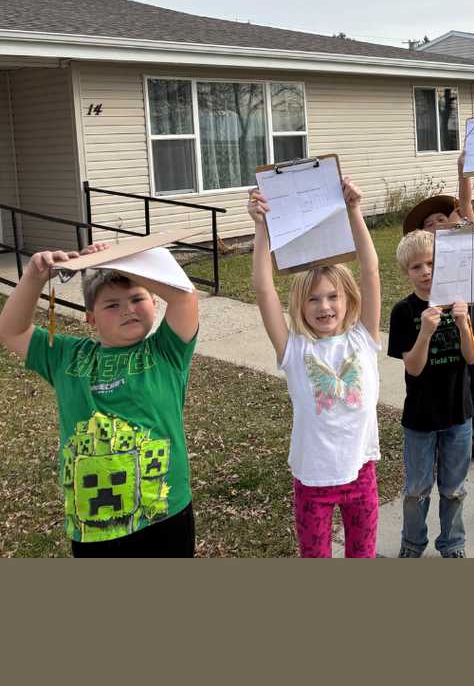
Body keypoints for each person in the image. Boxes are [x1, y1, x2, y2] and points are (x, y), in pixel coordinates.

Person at [0, 242, 201, 557]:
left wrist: (120, 261)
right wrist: (34, 278)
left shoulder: (166, 350)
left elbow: (184, 295)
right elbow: (12, 331)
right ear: (91, 319)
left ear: (153, 302)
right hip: (93, 524)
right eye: (111, 305)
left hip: (164, 512)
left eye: (137, 298)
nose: (128, 309)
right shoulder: (66, 357)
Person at [247, 177, 381, 558]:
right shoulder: (293, 349)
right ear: (300, 307)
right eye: (313, 300)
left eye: (333, 296)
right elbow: (263, 289)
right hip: (312, 482)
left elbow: (370, 271)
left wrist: (354, 210)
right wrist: (261, 228)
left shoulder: (363, 339)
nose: (324, 306)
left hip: (361, 475)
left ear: (347, 298)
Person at [402, 150, 474, 457]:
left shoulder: (464, 239)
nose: (436, 225)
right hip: (443, 329)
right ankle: (452, 432)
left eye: (442, 218)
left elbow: (466, 205)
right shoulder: (427, 263)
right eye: (429, 224)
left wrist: (463, 172)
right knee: (454, 381)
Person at [388, 229, 474, 557]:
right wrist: (425, 332)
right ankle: (412, 542)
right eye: (416, 267)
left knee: (453, 489)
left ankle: (453, 542)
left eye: (432, 262)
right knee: (416, 490)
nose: (426, 271)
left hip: (458, 413)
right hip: (421, 416)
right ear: (405, 272)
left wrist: (463, 323)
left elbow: (472, 357)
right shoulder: (403, 312)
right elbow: (413, 367)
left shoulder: (462, 304)